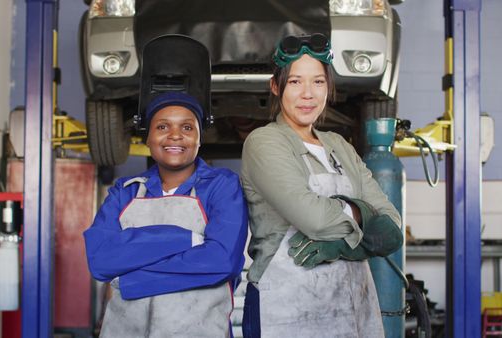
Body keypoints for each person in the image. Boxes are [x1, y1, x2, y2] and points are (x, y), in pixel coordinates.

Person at [240, 33, 403, 337]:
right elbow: (313, 220)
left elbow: (392, 230)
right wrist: (363, 214)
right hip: (285, 307)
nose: (308, 94)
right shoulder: (265, 142)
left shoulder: (339, 146)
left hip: (352, 306)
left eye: (318, 82)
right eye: (295, 82)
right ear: (275, 87)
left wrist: (342, 246)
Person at [83, 45, 248, 336]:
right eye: (162, 126)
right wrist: (189, 240)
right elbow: (101, 260)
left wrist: (133, 279)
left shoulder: (222, 186)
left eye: (187, 128)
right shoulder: (124, 192)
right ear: (148, 136)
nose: (175, 135)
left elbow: (222, 261)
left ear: (199, 138)